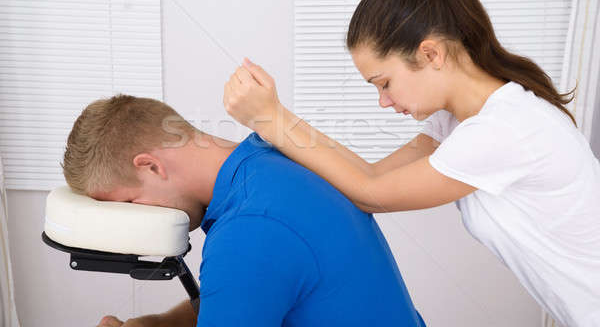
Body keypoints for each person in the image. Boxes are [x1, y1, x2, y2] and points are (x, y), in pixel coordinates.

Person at [223, 0, 600, 327]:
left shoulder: (503, 129)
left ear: (431, 53)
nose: (384, 101)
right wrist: (274, 118)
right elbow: (369, 175)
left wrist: (271, 119)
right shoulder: (459, 120)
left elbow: (371, 192)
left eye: (384, 83)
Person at [61, 95, 426, 327]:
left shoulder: (249, 231)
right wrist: (157, 325)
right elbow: (249, 296)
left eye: (128, 204)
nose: (133, 219)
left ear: (151, 167)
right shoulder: (270, 158)